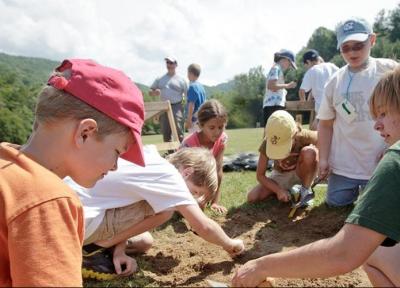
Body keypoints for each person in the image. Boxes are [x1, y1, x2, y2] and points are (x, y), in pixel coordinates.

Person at [231, 62, 400, 288]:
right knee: (376, 253)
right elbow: (261, 176)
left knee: (369, 252)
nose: (376, 125)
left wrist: (261, 266)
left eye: (383, 113)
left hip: (299, 182)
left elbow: (344, 253)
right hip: (280, 181)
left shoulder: (394, 160)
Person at [0, 59, 145, 286]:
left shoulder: (6, 164)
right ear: (85, 132)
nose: (115, 166)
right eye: (118, 151)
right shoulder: (47, 200)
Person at [66, 146, 245, 280]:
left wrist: (120, 250)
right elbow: (203, 226)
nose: (194, 199)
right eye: (195, 192)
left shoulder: (150, 156)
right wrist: (230, 243)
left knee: (144, 241)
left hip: (71, 214)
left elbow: (117, 205)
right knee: (167, 211)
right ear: (187, 172)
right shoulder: (169, 177)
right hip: (78, 222)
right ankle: (91, 249)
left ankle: (100, 246)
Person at [317, 17, 397, 207]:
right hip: (345, 167)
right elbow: (325, 124)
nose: (352, 52)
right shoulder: (334, 82)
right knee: (335, 204)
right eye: (346, 47)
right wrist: (324, 159)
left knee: (380, 208)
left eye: (358, 45)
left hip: (383, 164)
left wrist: (393, 149)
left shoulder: (391, 71)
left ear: (372, 40)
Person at [247, 110, 318, 204]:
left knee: (310, 152)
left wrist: (322, 160)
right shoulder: (267, 143)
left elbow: (325, 141)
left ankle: (305, 191)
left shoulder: (304, 135)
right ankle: (293, 191)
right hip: (281, 175)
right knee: (253, 197)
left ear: (294, 134)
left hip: (301, 173)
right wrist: (278, 190)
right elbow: (260, 175)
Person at [180, 99, 228, 213]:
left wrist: (215, 202)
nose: (217, 132)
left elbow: (218, 171)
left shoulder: (222, 140)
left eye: (221, 127)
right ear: (201, 126)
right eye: (212, 128)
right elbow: (185, 176)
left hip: (199, 184)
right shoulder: (189, 144)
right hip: (185, 179)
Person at [150, 56, 188, 142]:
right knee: (166, 132)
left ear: (176, 64)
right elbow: (151, 91)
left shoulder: (182, 80)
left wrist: (182, 105)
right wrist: (154, 92)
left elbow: (185, 95)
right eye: (167, 62)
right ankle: (170, 153)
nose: (169, 65)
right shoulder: (160, 79)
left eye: (171, 62)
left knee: (179, 131)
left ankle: (181, 153)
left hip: (177, 106)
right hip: (163, 107)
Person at [299, 49, 339, 130]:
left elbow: (301, 91)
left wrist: (304, 103)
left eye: (306, 65)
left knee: (315, 132)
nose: (306, 67)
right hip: (340, 104)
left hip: (323, 108)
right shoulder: (332, 66)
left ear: (308, 62)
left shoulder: (311, 71)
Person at [262, 49, 297, 126]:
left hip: (275, 104)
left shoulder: (277, 69)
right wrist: (287, 86)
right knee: (272, 131)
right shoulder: (276, 68)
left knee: (274, 132)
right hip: (273, 105)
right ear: (285, 59)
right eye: (290, 64)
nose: (289, 67)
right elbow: (271, 86)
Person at [185, 63, 207, 133]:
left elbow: (192, 104)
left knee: (195, 141)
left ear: (190, 73)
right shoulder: (201, 87)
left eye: (188, 72)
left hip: (194, 119)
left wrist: (189, 119)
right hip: (203, 117)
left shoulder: (192, 86)